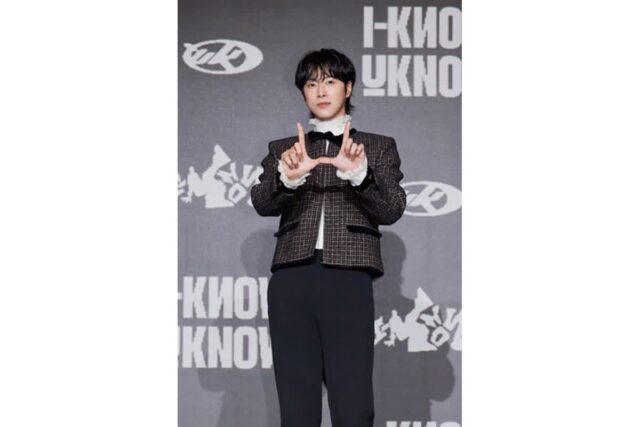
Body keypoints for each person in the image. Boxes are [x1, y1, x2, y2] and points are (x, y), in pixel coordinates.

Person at [250, 48, 406, 427]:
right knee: (296, 403)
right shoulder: (284, 149)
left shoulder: (377, 146)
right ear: (303, 93)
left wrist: (360, 176)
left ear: (348, 87)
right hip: (291, 278)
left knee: (352, 402)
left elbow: (392, 209)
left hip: (348, 277)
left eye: (330, 81)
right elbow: (261, 202)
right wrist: (287, 178)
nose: (321, 91)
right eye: (311, 84)